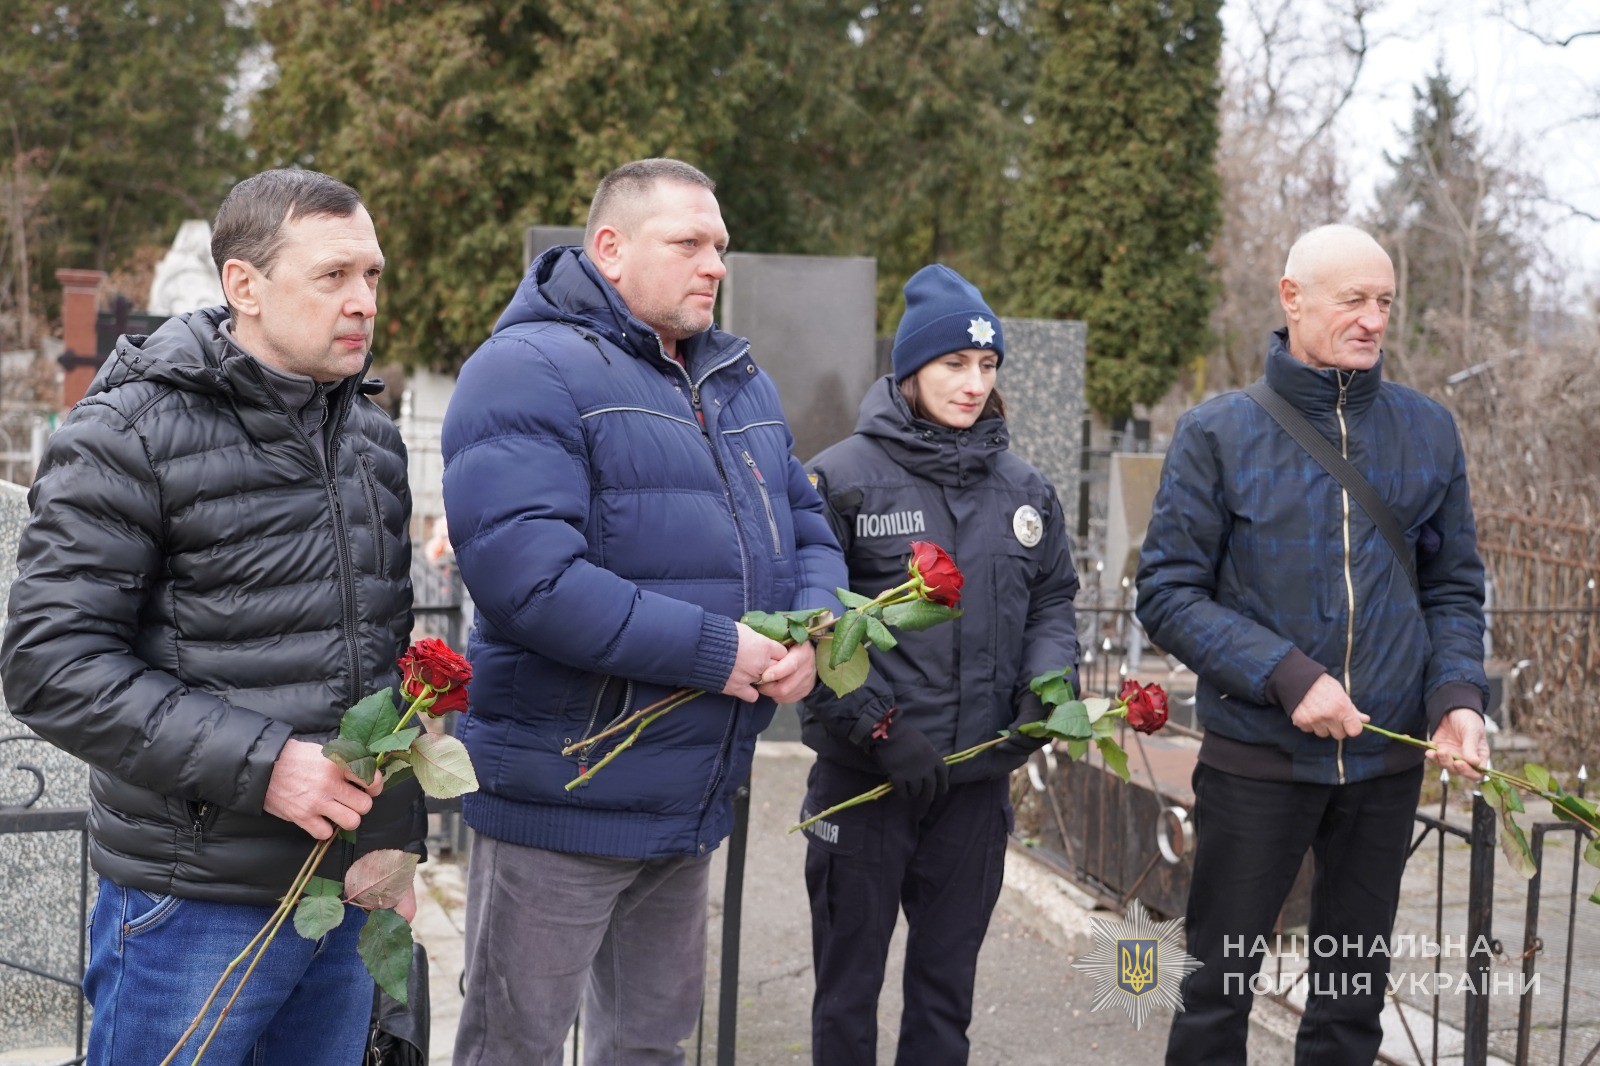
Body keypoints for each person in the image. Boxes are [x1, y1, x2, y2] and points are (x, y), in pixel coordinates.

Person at [0, 168, 421, 1064]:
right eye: (333, 275)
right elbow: (50, 664)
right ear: (245, 286)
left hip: (344, 896)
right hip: (191, 902)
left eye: (372, 275)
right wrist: (266, 766)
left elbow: (378, 665)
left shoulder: (371, 442)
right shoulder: (129, 432)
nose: (363, 301)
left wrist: (393, 850)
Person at [441, 157, 848, 1065]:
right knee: (514, 1048)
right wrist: (719, 653)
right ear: (611, 249)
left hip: (686, 795)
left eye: (720, 246)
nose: (715, 265)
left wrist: (812, 631)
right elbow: (532, 583)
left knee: (651, 1049)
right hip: (564, 795)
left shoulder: (736, 380)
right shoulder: (525, 370)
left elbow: (807, 526)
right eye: (689, 243)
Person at [1136, 224, 1490, 1064]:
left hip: (1384, 766)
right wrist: (1286, 675)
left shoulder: (1428, 431)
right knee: (1217, 993)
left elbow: (1451, 587)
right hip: (1258, 760)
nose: (1374, 319)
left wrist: (1456, 698)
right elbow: (1168, 594)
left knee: (1351, 1004)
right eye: (1354, 300)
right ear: (1292, 299)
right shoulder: (1217, 433)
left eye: (1385, 302)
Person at [798, 264, 1081, 1065]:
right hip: (867, 783)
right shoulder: (840, 479)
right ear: (911, 370)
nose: (973, 383)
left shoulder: (1025, 489)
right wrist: (880, 729)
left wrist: (1047, 687)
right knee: (847, 999)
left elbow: (1053, 598)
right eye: (954, 363)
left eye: (987, 365)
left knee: (944, 1000)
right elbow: (813, 622)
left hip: (973, 790)